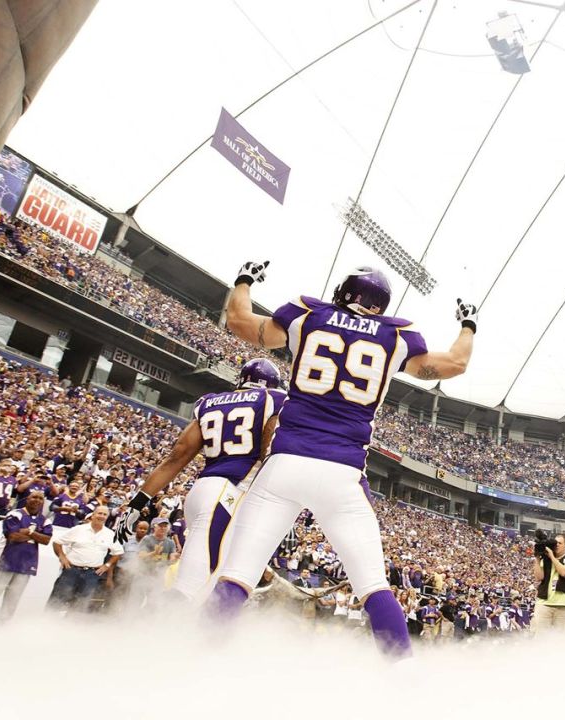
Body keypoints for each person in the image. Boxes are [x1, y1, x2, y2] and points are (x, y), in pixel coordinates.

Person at [207, 262, 477, 659]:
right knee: (373, 587)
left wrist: (245, 280)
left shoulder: (309, 315)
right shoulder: (395, 335)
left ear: (343, 293)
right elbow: (455, 364)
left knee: (237, 576)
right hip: (342, 472)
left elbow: (239, 320)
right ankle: (403, 680)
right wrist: (468, 325)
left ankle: (188, 660)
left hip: (285, 464)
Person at [115, 358, 286, 604]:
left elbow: (176, 457)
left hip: (201, 492)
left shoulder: (210, 402)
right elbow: (268, 453)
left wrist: (137, 503)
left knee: (211, 582)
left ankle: (186, 637)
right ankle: (148, 635)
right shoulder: (273, 400)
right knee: (191, 587)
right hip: (229, 494)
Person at [0, 490, 52, 623]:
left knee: (13, 599)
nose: (37, 500)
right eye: (34, 497)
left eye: (41, 498)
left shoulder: (45, 520)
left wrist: (29, 532)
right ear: (27, 499)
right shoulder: (15, 514)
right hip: (6, 561)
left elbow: (46, 540)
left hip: (26, 564)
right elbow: (13, 537)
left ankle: (2, 624)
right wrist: (36, 534)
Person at [49, 505, 123, 612]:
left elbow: (118, 553)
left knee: (81, 604)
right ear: (93, 515)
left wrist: (107, 565)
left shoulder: (110, 534)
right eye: (99, 513)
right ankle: (47, 624)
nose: (101, 516)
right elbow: (57, 543)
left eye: (104, 514)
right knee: (58, 600)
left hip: (92, 574)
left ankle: (70, 626)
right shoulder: (78, 529)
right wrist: (62, 557)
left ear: (107, 517)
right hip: (71, 571)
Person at [532, 534, 565, 634]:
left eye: (560, 543)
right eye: (555, 543)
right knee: (540, 635)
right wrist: (537, 558)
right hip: (544, 603)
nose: (556, 545)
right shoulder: (545, 560)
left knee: (562, 637)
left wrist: (552, 557)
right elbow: (539, 577)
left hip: (564, 604)